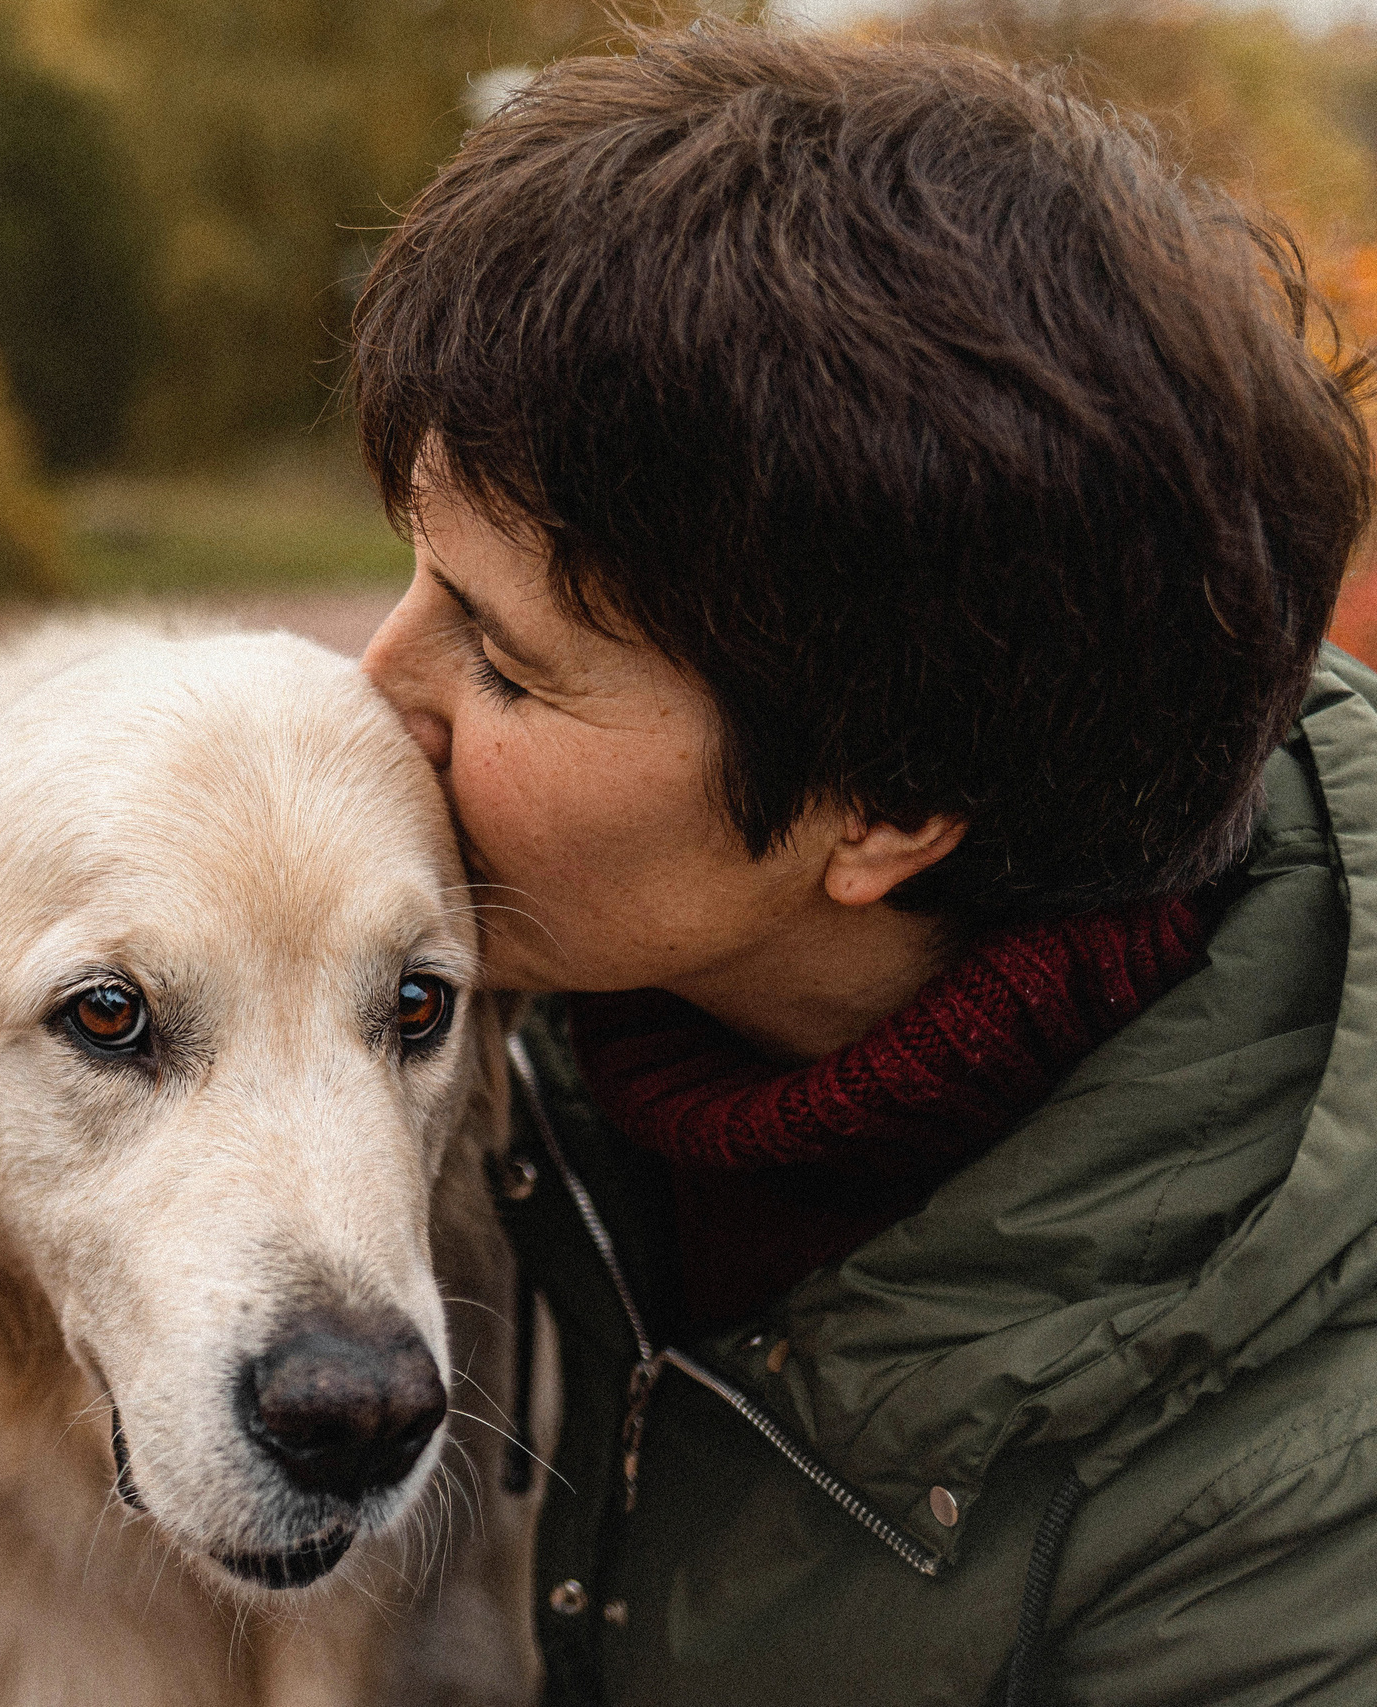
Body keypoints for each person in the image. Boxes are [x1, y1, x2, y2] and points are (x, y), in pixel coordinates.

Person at [352, 27, 1377, 1707]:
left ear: (889, 814)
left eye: (507, 662)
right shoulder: (574, 991)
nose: (378, 693)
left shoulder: (1298, 1518)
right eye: (413, 578)